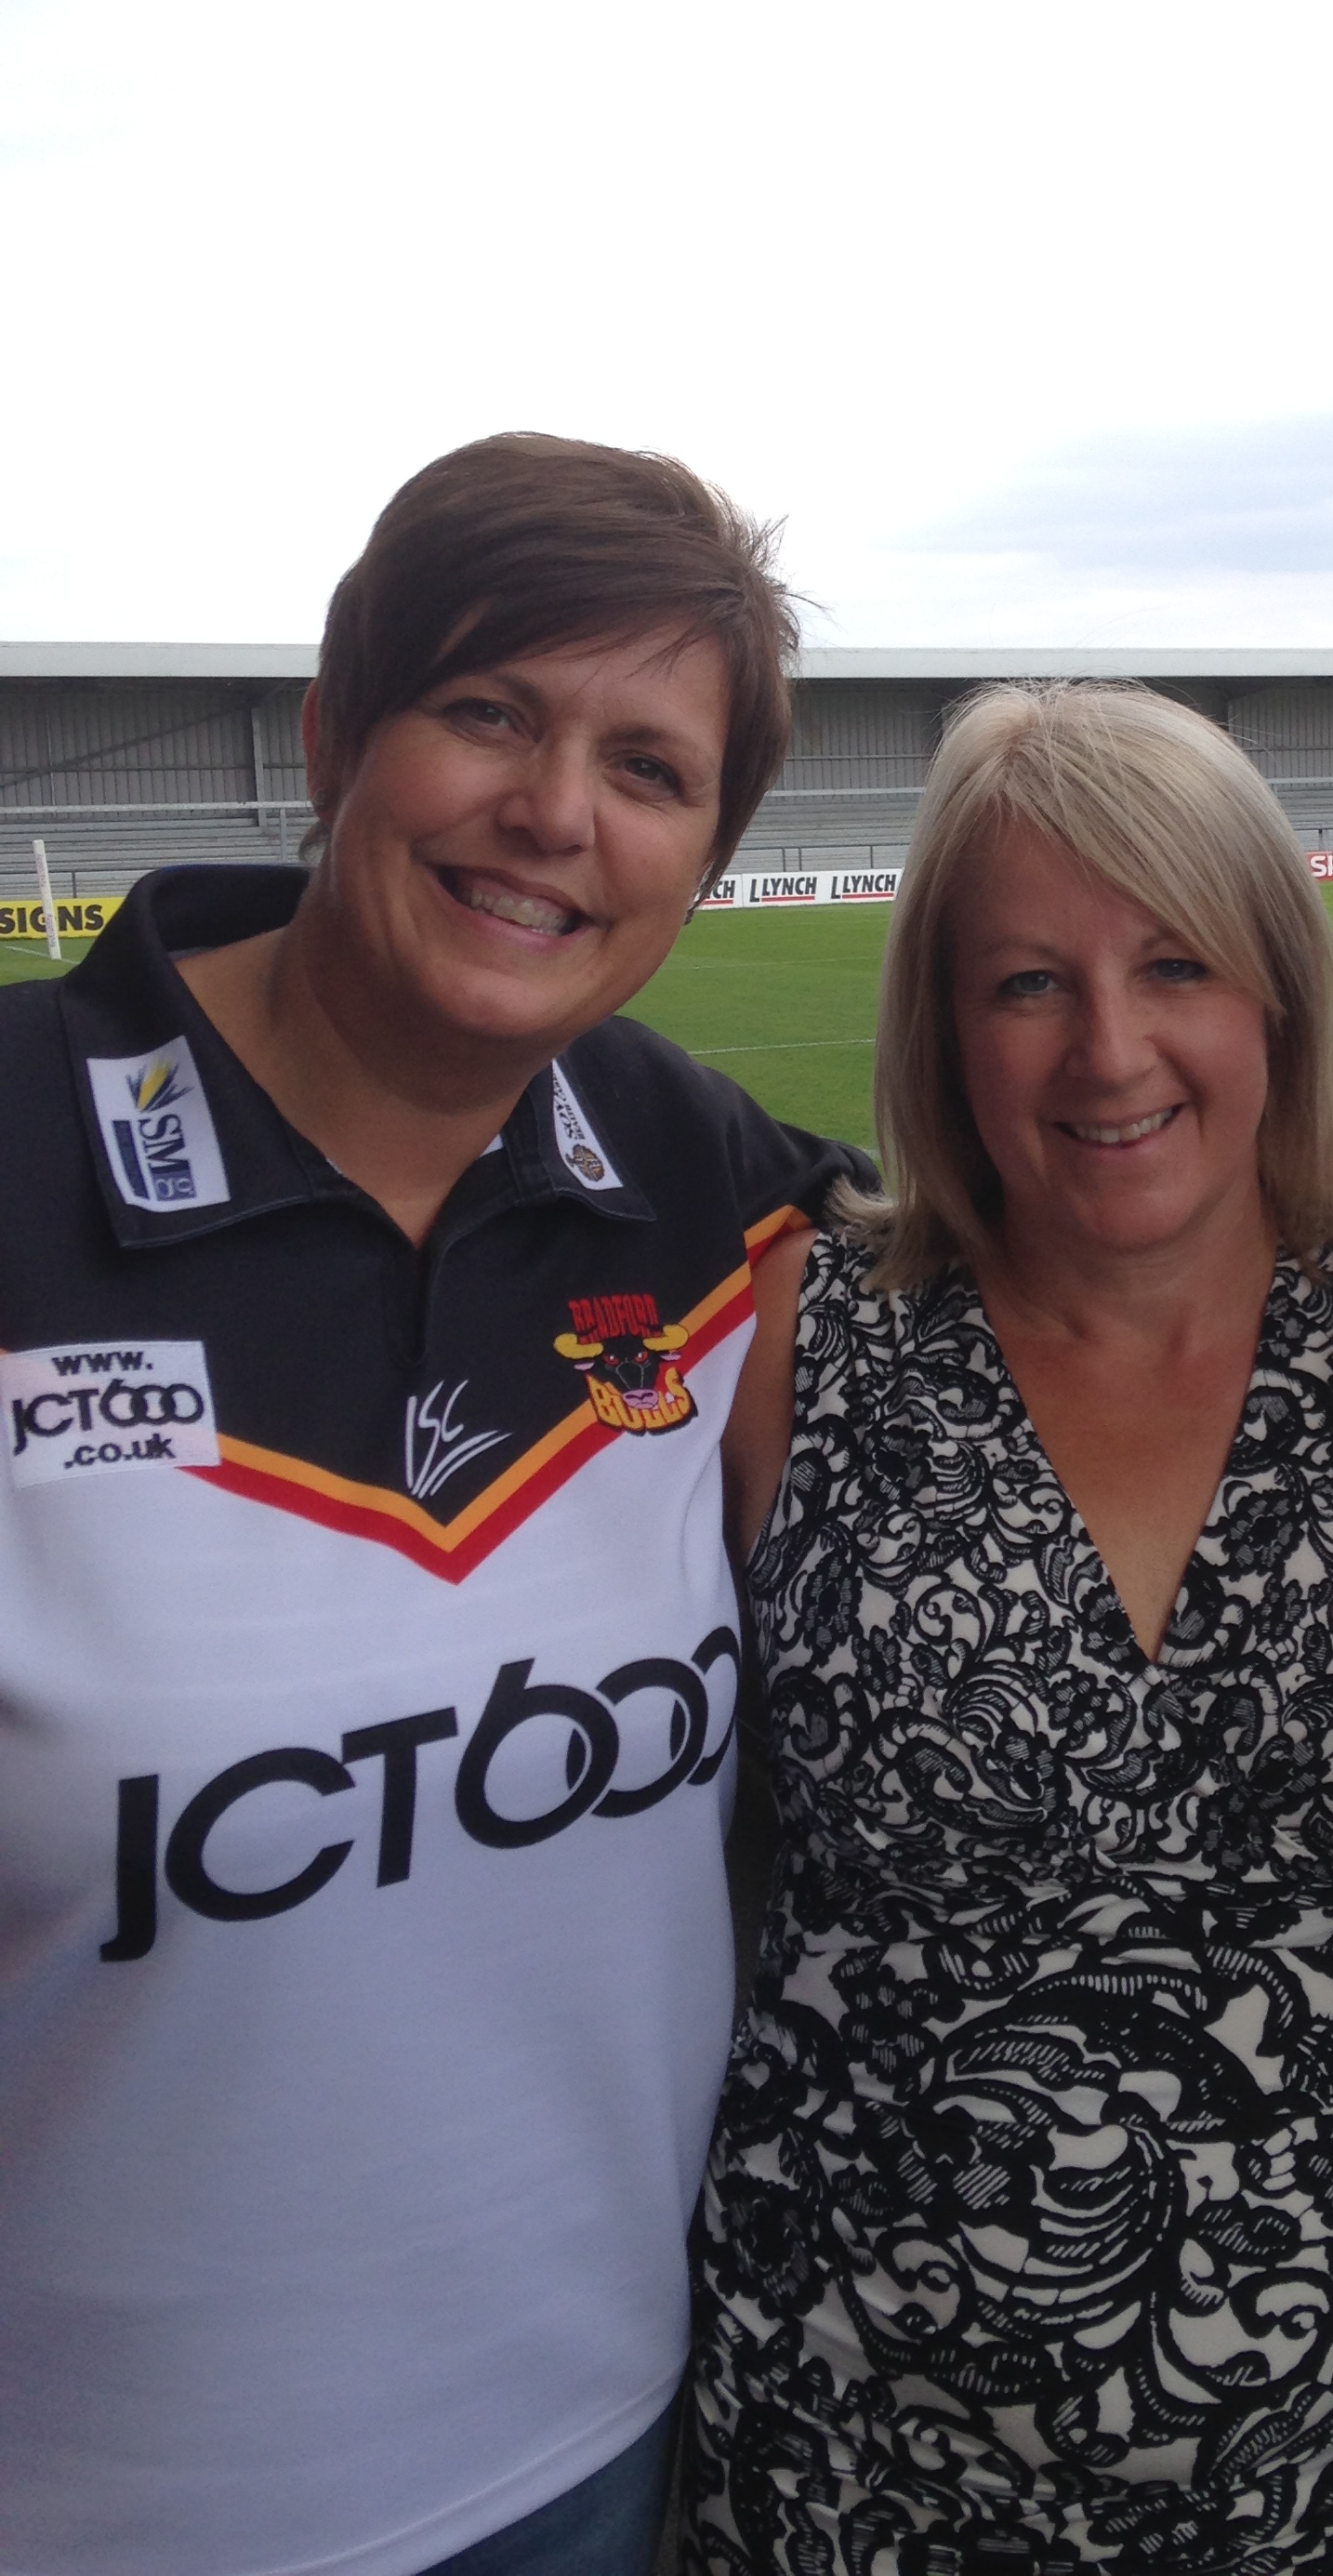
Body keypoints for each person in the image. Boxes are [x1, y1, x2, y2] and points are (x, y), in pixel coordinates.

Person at [0, 434, 869, 2576]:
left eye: (650, 771)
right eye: (488, 711)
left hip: (593, 2457)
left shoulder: (703, 1183)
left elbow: (1064, 1238)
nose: (556, 813)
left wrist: (1328, 1170)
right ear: (332, 734)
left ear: (705, 855)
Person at [685, 681, 1333, 2573]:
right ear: (942, 1023)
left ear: (1278, 995)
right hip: (864, 2459)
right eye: (1026, 984)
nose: (1107, 1047)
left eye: (1177, 965)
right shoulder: (782, 1341)